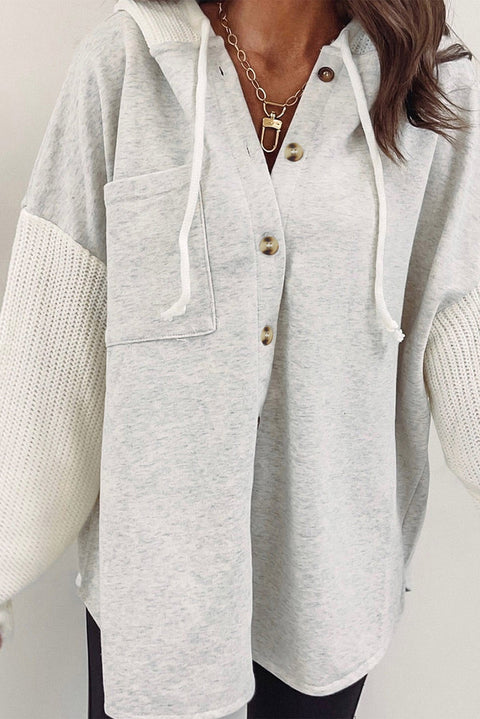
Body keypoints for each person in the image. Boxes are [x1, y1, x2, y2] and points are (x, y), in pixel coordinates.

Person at [1, 0, 479, 718]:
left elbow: (462, 327)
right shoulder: (124, 66)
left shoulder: (428, 82)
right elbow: (49, 370)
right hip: (158, 606)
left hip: (327, 599)